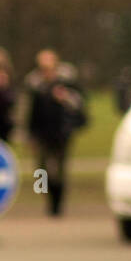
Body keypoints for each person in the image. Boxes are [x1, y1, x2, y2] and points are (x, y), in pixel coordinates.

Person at [25, 49, 87, 217]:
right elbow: (32, 113)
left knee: (59, 170)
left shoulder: (67, 84)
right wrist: (30, 135)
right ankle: (46, 198)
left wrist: (65, 98)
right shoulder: (36, 86)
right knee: (41, 170)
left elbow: (80, 105)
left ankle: (57, 205)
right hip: (42, 134)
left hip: (61, 133)